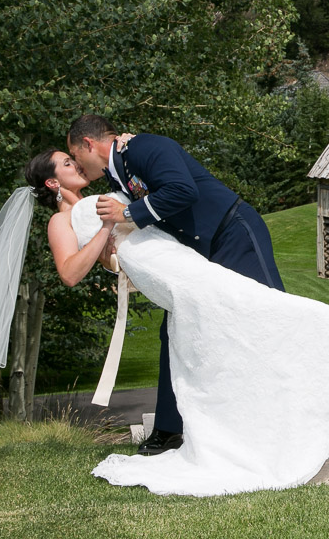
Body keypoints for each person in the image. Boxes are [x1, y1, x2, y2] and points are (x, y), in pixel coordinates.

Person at [22, 147, 329, 496]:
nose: (76, 163)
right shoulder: (62, 220)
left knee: (237, 317)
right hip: (161, 268)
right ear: (53, 182)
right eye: (67, 163)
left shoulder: (110, 190)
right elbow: (71, 272)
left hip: (175, 255)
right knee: (249, 301)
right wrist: (107, 228)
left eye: (74, 157)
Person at [66, 115, 292, 456]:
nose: (78, 165)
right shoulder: (119, 171)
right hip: (198, 255)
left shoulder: (144, 147)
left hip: (233, 233)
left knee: (273, 314)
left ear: (88, 144)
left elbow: (183, 190)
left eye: (74, 155)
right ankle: (169, 429)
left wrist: (126, 215)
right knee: (174, 331)